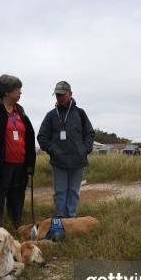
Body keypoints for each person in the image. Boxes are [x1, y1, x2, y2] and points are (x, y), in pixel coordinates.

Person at [0, 74, 36, 229]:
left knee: (17, 197)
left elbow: (29, 136)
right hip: (1, 164)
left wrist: (30, 163)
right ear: (6, 92)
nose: (20, 93)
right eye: (17, 89)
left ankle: (16, 227)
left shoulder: (20, 110)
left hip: (20, 163)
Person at [37, 81, 95, 218]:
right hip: (59, 162)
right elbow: (42, 137)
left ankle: (72, 217)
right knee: (60, 191)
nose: (60, 97)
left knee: (74, 191)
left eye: (62, 95)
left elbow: (90, 133)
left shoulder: (80, 113)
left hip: (78, 160)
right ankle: (61, 218)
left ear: (70, 94)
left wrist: (84, 149)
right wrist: (54, 151)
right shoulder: (51, 115)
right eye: (57, 95)